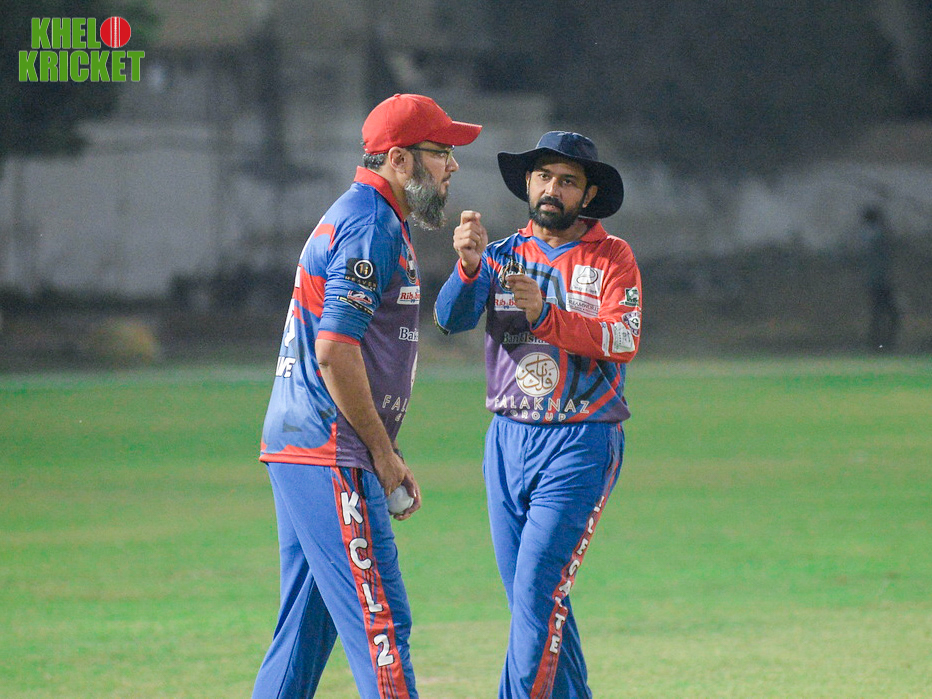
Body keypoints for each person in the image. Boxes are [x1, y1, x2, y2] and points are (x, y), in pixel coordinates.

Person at [253, 93, 481, 699]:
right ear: (400, 160)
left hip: (304, 445)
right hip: (332, 449)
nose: (453, 165)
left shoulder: (370, 216)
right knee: (382, 625)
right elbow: (334, 349)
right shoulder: (370, 224)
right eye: (441, 152)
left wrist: (382, 450)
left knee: (304, 633)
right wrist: (381, 453)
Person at [434, 131, 642, 698]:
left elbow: (623, 338)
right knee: (536, 603)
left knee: (535, 597)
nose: (554, 189)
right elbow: (450, 319)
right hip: (506, 440)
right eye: (545, 177)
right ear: (528, 183)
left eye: (568, 181)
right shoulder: (501, 255)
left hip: (580, 439)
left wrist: (546, 314)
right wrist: (468, 267)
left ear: (588, 194)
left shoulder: (612, 257)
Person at [859, 205, 899, 350]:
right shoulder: (876, 235)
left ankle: (876, 344)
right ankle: (883, 345)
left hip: (874, 282)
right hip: (880, 282)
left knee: (878, 314)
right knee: (890, 315)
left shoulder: (865, 235)